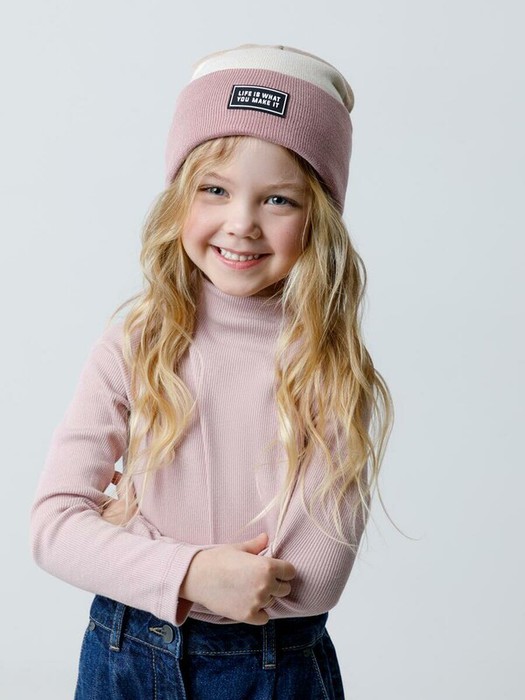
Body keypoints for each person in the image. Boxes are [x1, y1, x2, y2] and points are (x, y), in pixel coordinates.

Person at [30, 44, 393, 699]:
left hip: (271, 669)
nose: (241, 224)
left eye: (278, 199)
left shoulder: (329, 370)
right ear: (179, 200)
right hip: (122, 655)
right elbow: (54, 528)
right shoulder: (135, 343)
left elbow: (312, 580)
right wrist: (196, 570)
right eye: (215, 190)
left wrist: (128, 536)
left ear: (318, 218)